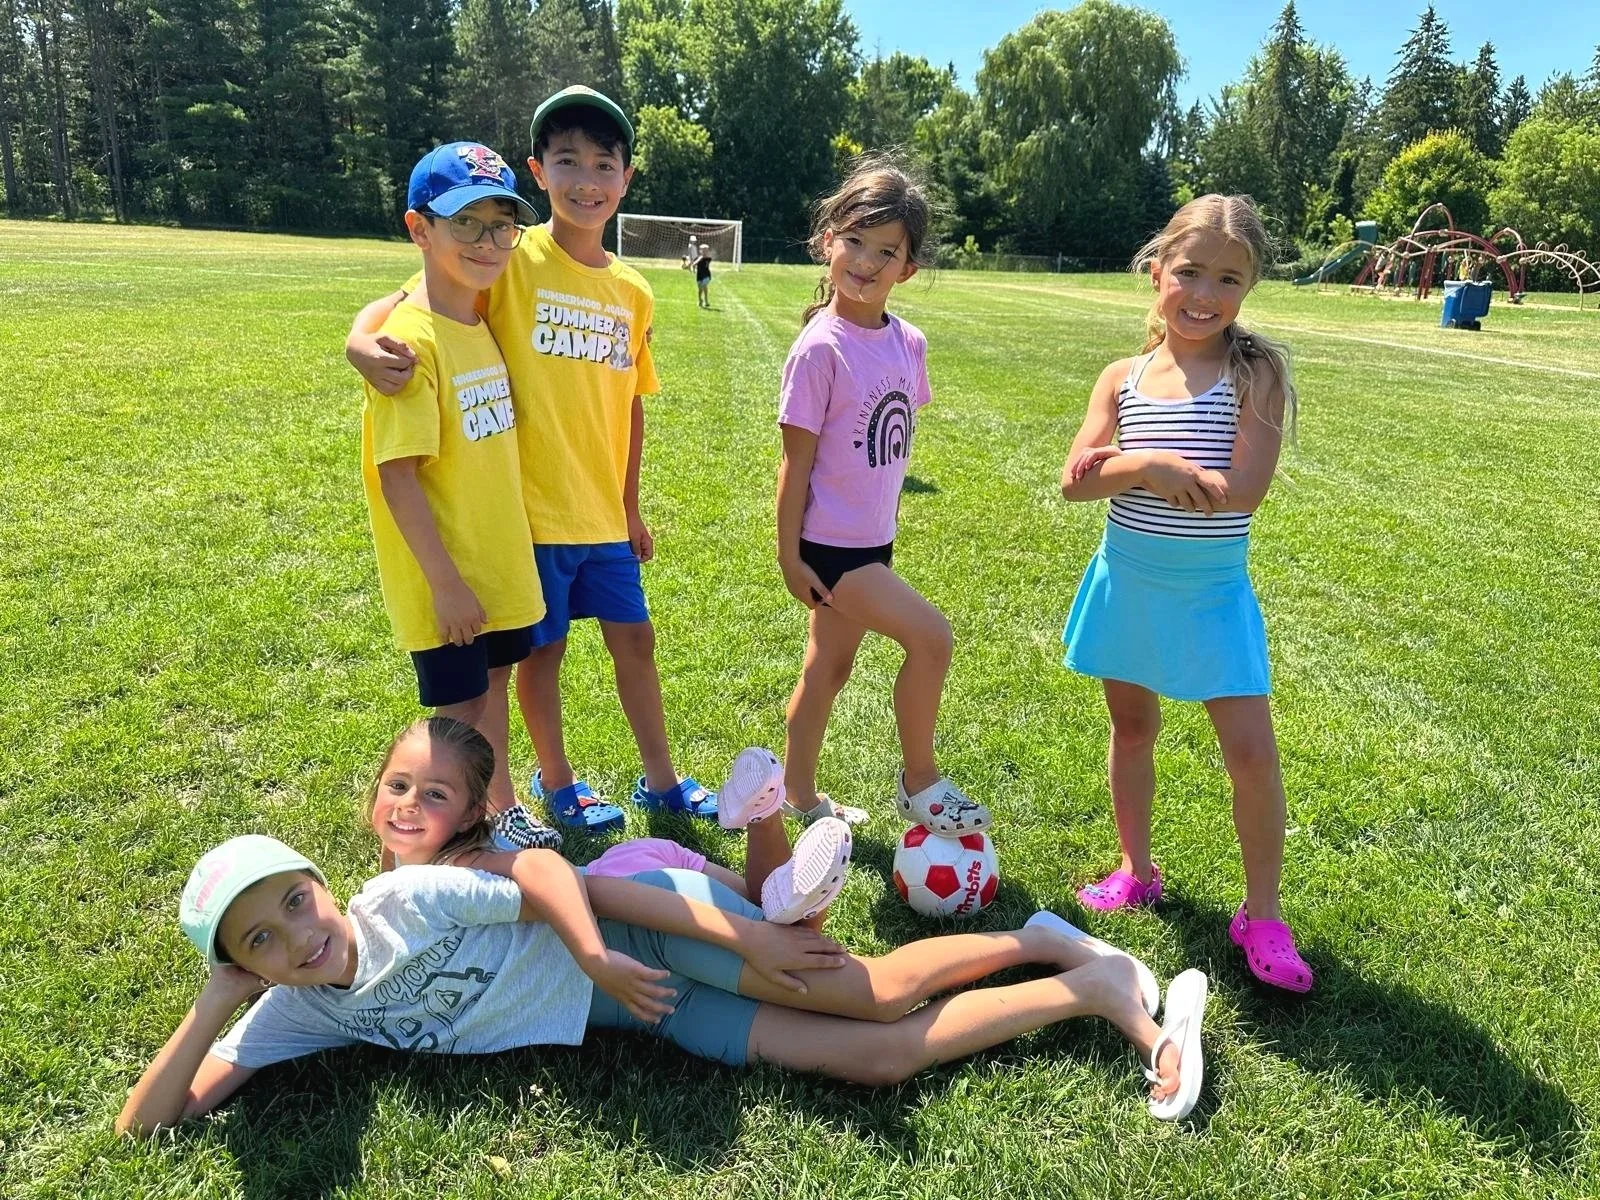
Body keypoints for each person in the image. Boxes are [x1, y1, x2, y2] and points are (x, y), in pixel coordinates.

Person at [114, 829, 1206, 1138]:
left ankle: (1031, 937)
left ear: (320, 883)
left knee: (869, 992)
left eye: (293, 902)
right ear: (244, 965)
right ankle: (1090, 981)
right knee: (878, 1060)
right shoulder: (297, 1008)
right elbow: (148, 1125)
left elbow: (562, 877)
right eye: (259, 942)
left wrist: (748, 938)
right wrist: (215, 1005)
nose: (296, 939)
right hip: (644, 1011)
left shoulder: (406, 899)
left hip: (651, 932)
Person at [345, 86, 717, 836]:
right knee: (540, 658)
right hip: (531, 518)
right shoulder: (511, 255)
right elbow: (410, 299)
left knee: (636, 641)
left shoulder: (633, 290)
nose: (587, 180)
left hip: (601, 513)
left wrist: (631, 506)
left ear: (627, 179)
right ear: (538, 172)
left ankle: (661, 781)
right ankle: (557, 784)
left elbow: (631, 403)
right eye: (567, 161)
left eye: (604, 164)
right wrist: (357, 339)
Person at [1058, 194, 1312, 993]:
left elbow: (1244, 490)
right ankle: (1136, 869)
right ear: (1157, 271)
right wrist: (1149, 466)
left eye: (1228, 279)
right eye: (1191, 272)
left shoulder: (1254, 374)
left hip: (1210, 595)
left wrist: (1130, 470)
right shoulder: (1122, 378)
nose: (1204, 295)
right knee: (1132, 729)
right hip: (1129, 583)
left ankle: (1262, 914)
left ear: (1249, 287)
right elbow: (1076, 479)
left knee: (1252, 754)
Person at [775, 154, 989, 835]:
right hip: (831, 549)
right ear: (827, 241)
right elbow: (795, 465)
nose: (866, 261)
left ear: (908, 268)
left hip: (873, 541)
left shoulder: (908, 343)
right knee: (932, 639)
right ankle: (920, 782)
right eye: (855, 240)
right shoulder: (820, 350)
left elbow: (885, 443)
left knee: (827, 670)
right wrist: (790, 557)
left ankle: (797, 795)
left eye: (886, 251)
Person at [359, 140, 554, 851]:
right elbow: (398, 475)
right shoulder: (409, 345)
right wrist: (445, 585)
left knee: (491, 686)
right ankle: (411, 850)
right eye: (465, 222)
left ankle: (497, 814)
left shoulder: (476, 317)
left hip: (491, 563)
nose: (487, 242)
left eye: (502, 225)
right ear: (420, 229)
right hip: (447, 579)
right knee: (456, 717)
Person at [371, 716, 852, 926]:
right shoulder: (406, 848)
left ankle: (802, 896)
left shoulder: (457, 866)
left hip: (628, 890)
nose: (407, 805)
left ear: (470, 816)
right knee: (765, 901)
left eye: (433, 794)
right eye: (397, 786)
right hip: (637, 860)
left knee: (777, 930)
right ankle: (762, 814)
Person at [682, 241, 713, 307]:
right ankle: (701, 300)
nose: (704, 252)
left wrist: (692, 262)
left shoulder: (708, 258)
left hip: (706, 275)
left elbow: (697, 261)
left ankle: (705, 300)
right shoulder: (698, 257)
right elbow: (693, 263)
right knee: (701, 289)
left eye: (706, 250)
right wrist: (687, 265)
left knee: (703, 285)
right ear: (700, 251)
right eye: (703, 250)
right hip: (699, 275)